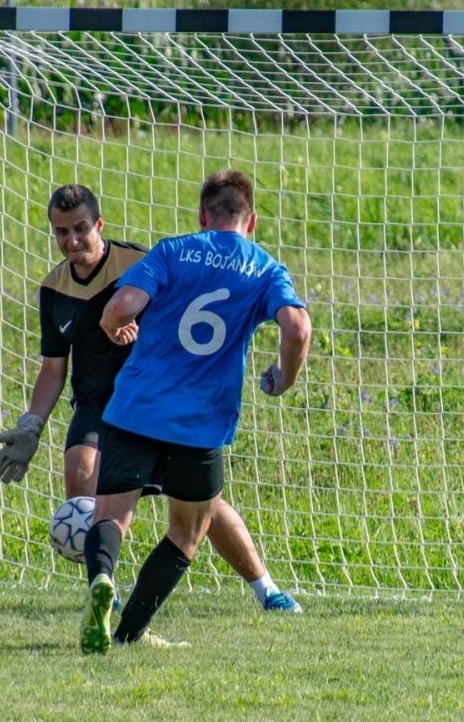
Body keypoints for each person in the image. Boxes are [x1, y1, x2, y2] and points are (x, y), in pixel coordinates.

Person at [0, 183, 301, 614]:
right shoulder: (54, 289)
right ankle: (105, 595)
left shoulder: (138, 261)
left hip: (151, 399)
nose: (72, 241)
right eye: (61, 232)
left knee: (205, 507)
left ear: (99, 225)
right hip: (98, 405)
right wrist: (31, 426)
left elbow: (177, 311)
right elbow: (53, 368)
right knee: (81, 470)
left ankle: (266, 587)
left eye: (80, 229)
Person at [77, 169, 312, 653]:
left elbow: (121, 306)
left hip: (135, 409)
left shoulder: (171, 251)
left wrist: (111, 326)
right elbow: (297, 329)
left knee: (111, 515)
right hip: (200, 425)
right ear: (251, 222)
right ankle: (128, 635)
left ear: (204, 215)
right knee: (187, 531)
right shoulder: (265, 268)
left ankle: (102, 577)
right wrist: (285, 377)